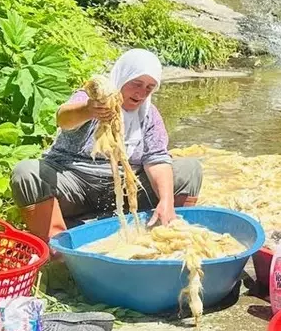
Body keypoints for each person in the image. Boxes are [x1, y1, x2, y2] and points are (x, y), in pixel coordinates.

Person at [12, 49, 202, 243]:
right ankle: (58, 247)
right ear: (122, 77)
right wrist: (88, 110)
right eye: (136, 83)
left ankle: (167, 230)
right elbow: (63, 119)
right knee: (27, 172)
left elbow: (157, 159)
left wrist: (166, 200)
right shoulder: (93, 100)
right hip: (76, 183)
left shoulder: (149, 115)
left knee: (189, 170)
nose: (141, 93)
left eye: (149, 87)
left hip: (127, 189)